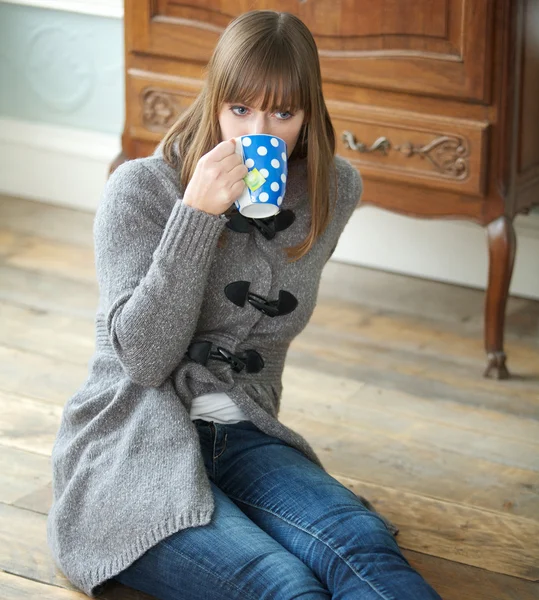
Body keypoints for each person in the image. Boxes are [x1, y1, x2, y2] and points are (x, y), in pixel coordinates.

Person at [46, 9, 443, 600]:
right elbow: (144, 362)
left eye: (283, 112)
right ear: (215, 105)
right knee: (282, 584)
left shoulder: (333, 192)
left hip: (242, 429)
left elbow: (263, 344)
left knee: (362, 546)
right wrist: (197, 216)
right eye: (240, 109)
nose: (260, 131)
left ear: (309, 115)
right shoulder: (141, 189)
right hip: (130, 438)